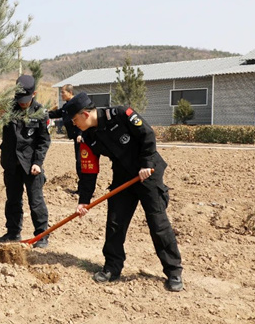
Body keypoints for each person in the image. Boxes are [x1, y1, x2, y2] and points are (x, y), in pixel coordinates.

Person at [64, 92, 184, 292]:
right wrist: (84, 200)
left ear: (85, 114)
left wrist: (146, 163)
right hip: (123, 177)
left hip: (147, 173)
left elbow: (147, 134)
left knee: (158, 223)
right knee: (115, 223)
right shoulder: (87, 138)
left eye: (75, 120)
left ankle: (173, 271)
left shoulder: (120, 114)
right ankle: (112, 267)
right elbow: (89, 172)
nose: (74, 124)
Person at [0, 74, 51, 249]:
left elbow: (44, 141)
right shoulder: (7, 109)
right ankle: (13, 232)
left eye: (25, 100)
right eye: (20, 99)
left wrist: (38, 162)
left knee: (36, 201)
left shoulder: (40, 112)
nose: (22, 103)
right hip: (11, 163)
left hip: (31, 164)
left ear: (34, 94)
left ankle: (41, 235)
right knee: (13, 200)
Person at [48, 85, 83, 193]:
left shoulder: (76, 104)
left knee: (81, 163)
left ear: (70, 92)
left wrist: (80, 134)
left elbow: (83, 118)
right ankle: (82, 189)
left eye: (63, 92)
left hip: (82, 138)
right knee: (79, 163)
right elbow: (57, 113)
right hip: (76, 138)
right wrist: (43, 114)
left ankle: (85, 190)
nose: (61, 94)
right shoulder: (66, 106)